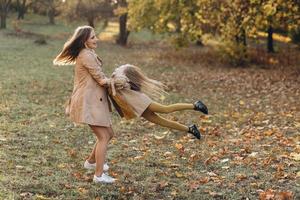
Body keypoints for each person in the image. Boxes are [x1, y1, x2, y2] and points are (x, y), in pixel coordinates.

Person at [53, 26, 119, 184]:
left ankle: (91, 162)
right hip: (87, 102)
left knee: (109, 133)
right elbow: (101, 79)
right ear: (84, 41)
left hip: (95, 101)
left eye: (95, 36)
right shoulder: (86, 55)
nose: (96, 40)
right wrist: (119, 82)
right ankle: (98, 176)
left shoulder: (89, 53)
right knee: (103, 136)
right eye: (93, 37)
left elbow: (100, 77)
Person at [108, 64, 208, 139]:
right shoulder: (115, 81)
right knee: (163, 122)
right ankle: (190, 129)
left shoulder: (119, 80)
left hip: (142, 102)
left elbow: (121, 78)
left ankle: (195, 105)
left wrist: (110, 80)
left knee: (165, 109)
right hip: (137, 107)